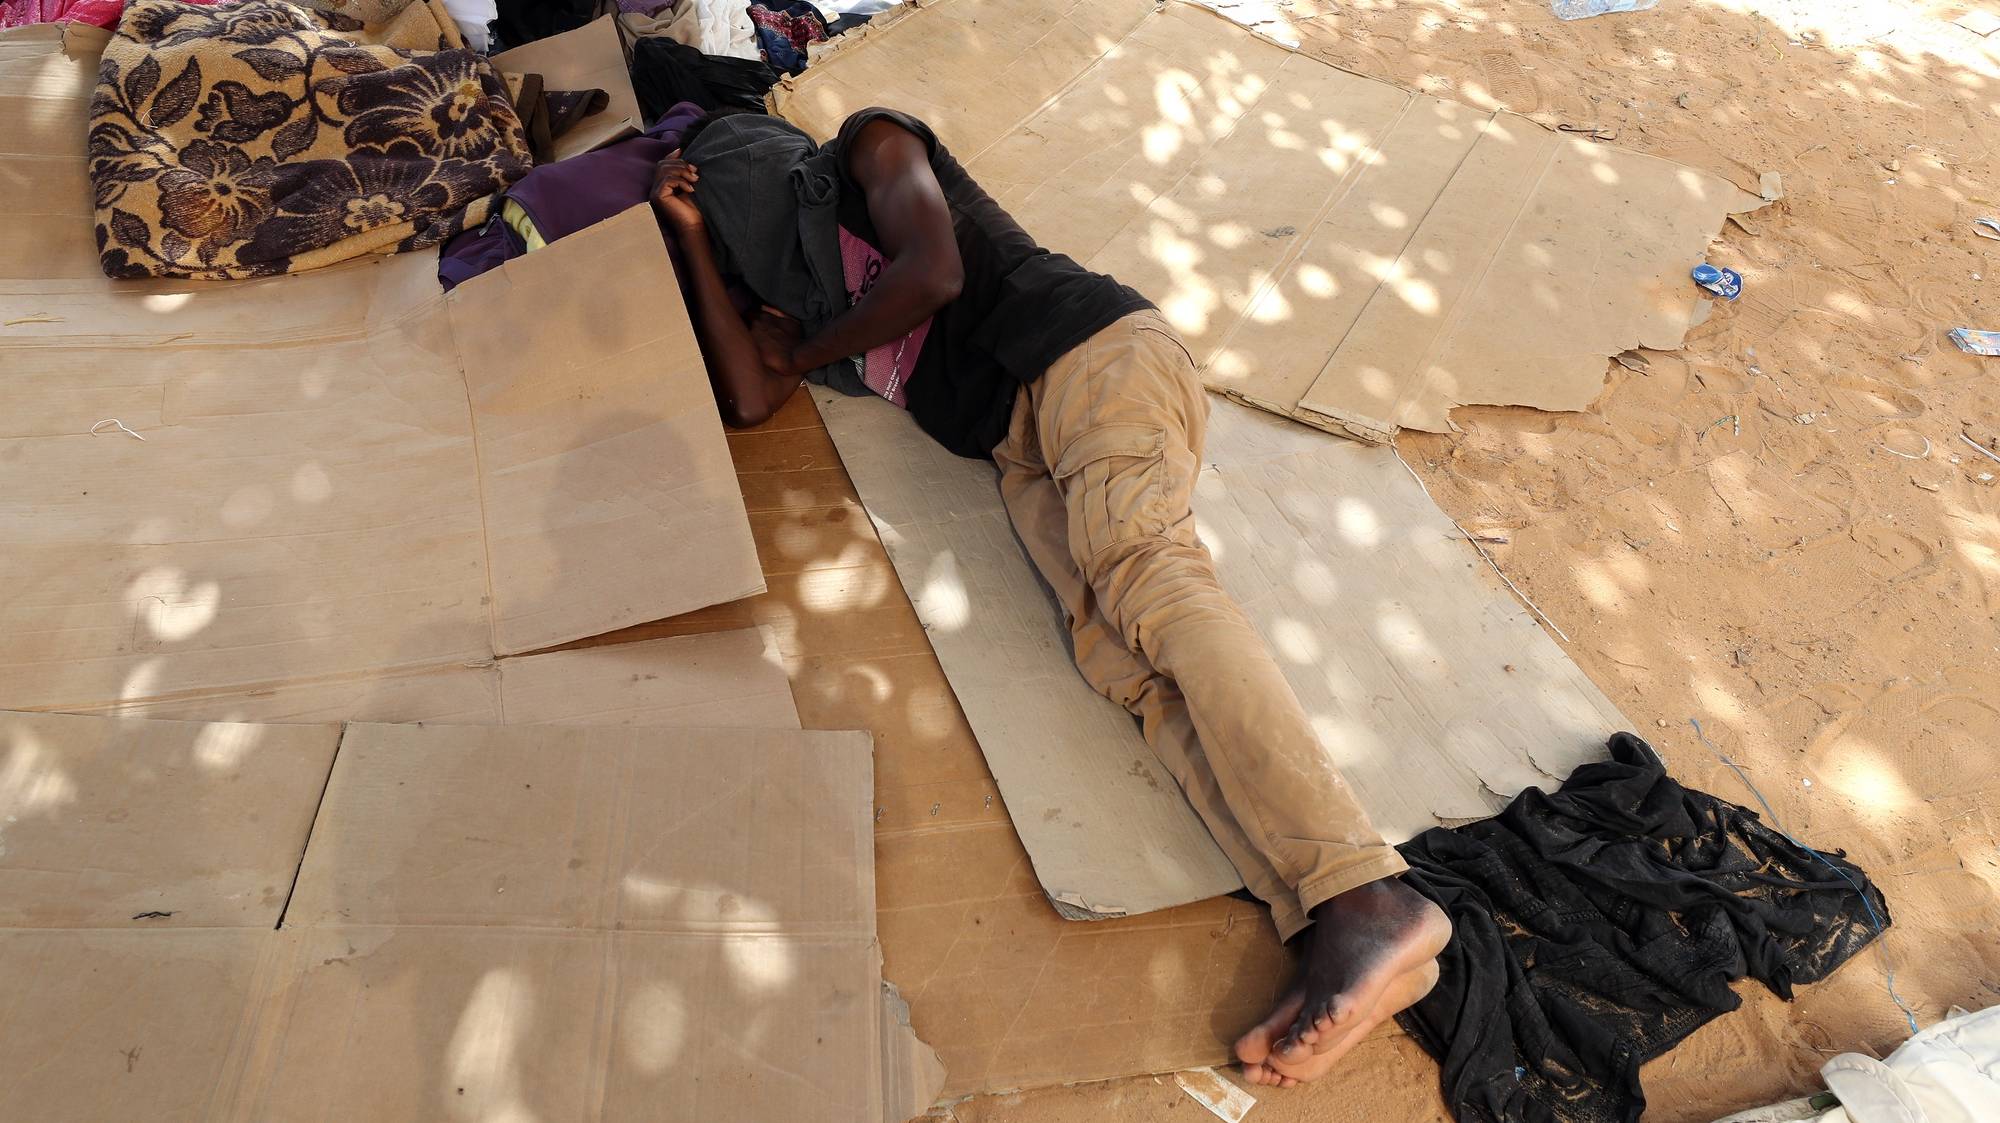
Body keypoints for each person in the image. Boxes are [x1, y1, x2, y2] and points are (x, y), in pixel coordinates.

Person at [651, 107, 1451, 1087]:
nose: (759, 260)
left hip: (1092, 355)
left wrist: (806, 352)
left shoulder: (872, 147)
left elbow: (933, 277)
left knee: (1151, 586)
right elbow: (747, 397)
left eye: (743, 225)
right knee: (1120, 661)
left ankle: (1371, 893)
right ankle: (1324, 913)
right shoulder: (806, 296)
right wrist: (694, 245)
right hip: (1022, 444)